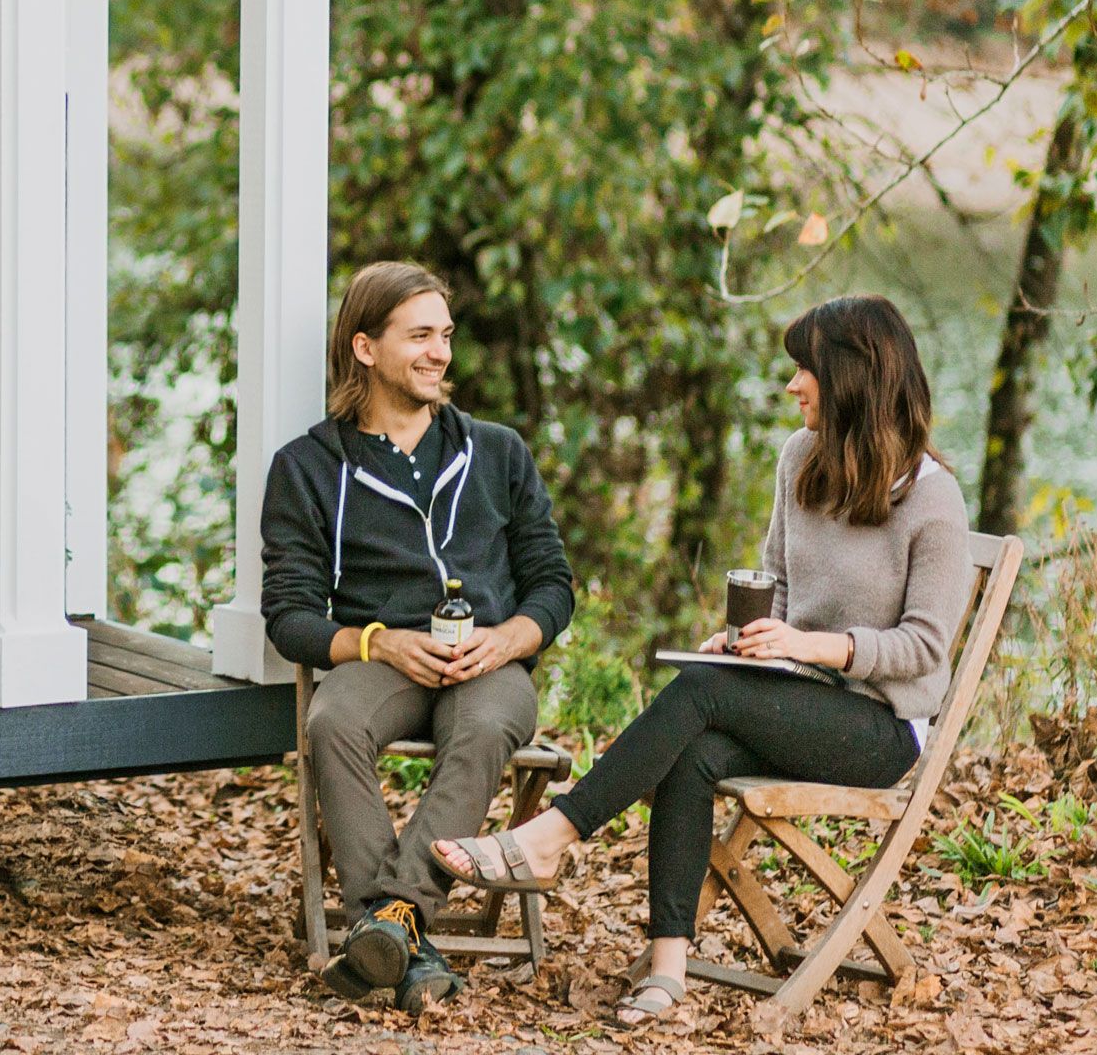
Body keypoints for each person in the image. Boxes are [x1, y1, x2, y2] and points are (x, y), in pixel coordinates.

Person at [430, 294, 973, 1030]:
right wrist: (751, 639)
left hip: (880, 725)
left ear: (849, 380)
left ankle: (550, 838)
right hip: (794, 694)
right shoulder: (799, 459)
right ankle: (667, 968)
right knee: (696, 748)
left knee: (700, 696)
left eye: (802, 371)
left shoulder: (934, 502)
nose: (790, 387)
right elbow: (775, 584)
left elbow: (926, 648)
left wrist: (809, 646)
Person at [260, 261, 575, 1014]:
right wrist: (379, 643)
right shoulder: (308, 468)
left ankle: (388, 922)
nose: (441, 352)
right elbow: (290, 616)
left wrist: (510, 639)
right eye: (421, 336)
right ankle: (405, 939)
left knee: (486, 724)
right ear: (365, 348)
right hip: (387, 658)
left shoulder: (497, 452)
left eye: (446, 335)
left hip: (490, 663)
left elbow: (553, 584)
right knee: (332, 719)